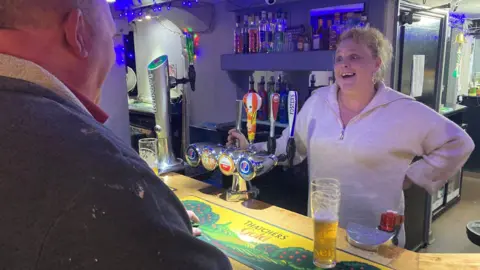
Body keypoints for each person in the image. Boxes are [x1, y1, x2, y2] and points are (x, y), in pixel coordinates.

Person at [0, 0, 231, 269]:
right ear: (77, 35)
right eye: (111, 37)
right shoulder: (94, 168)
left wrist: (154, 223)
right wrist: (150, 228)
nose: (112, 52)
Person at [228, 26, 475, 247]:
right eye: (339, 59)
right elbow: (290, 149)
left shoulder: (403, 109)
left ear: (376, 64)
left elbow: (459, 143)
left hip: (377, 236)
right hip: (322, 230)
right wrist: (250, 148)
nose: (344, 64)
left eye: (354, 57)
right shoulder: (317, 103)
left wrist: (413, 176)